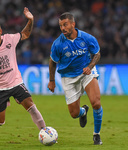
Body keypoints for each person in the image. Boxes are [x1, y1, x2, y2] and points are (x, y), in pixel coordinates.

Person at [48, 12, 103, 145]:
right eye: (60, 25)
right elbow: (52, 62)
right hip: (68, 77)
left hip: (86, 72)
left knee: (96, 102)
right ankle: (83, 112)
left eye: (65, 24)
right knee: (74, 113)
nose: (63, 28)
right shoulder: (57, 44)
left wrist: (90, 66)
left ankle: (96, 135)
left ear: (73, 24)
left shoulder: (86, 38)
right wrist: (52, 80)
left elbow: (97, 54)